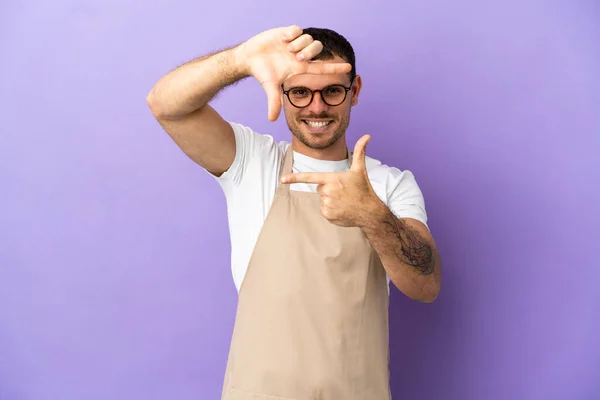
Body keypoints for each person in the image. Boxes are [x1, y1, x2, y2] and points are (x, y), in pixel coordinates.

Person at [146, 25, 441, 400]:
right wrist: (240, 60)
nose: (316, 108)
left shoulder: (391, 185)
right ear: (282, 93)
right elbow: (165, 105)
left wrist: (371, 214)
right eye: (300, 92)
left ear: (355, 91)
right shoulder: (251, 162)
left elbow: (426, 286)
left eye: (332, 91)